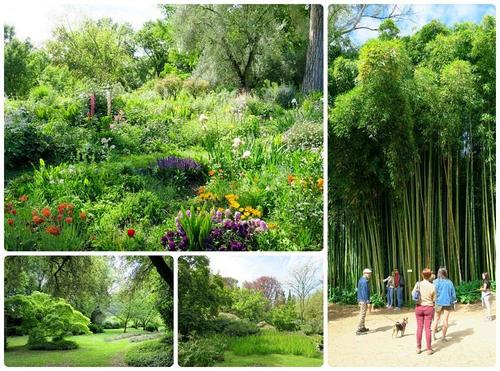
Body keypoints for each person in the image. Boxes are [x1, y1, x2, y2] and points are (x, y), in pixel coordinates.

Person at [412, 268, 436, 355]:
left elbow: (413, 294)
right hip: (429, 308)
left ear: (422, 275)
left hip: (418, 307)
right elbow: (434, 299)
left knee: (419, 327)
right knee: (427, 329)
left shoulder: (418, 284)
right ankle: (429, 349)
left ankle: (418, 348)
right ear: (430, 276)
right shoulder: (432, 286)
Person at [432, 267, 456, 342]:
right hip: (447, 302)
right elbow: (453, 294)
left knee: (436, 319)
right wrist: (453, 301)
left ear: (438, 273)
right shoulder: (450, 282)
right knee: (445, 320)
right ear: (446, 273)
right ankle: (443, 337)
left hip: (438, 302)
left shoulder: (435, 282)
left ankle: (433, 336)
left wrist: (433, 300)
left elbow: (432, 292)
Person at [356, 268, 372, 335]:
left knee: (363, 314)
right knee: (362, 314)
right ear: (365, 273)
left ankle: (362, 327)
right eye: (369, 274)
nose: (370, 275)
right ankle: (359, 329)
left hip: (361, 299)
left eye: (370, 273)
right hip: (363, 300)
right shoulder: (364, 281)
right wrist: (367, 301)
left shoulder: (361, 280)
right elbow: (364, 292)